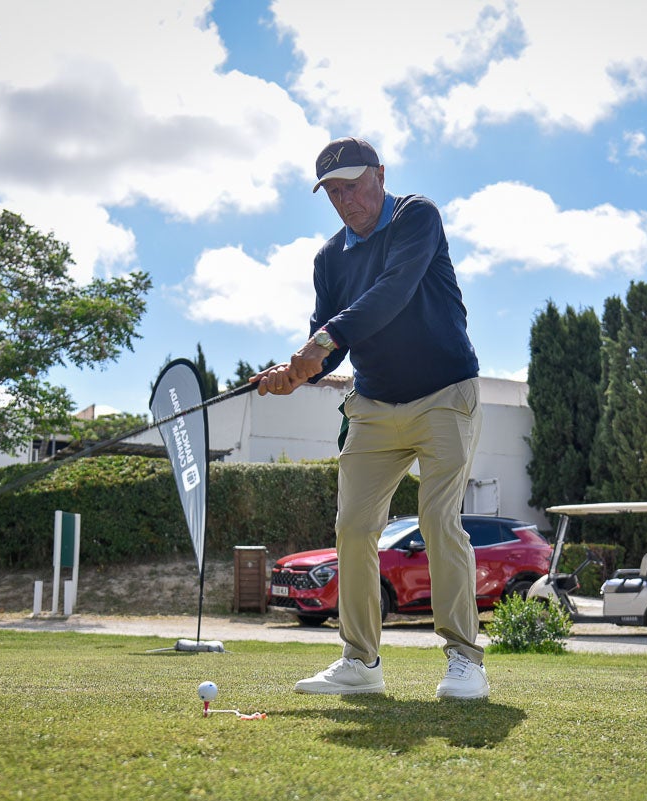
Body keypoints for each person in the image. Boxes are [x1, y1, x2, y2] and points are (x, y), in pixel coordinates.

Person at [251, 137, 486, 700]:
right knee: (353, 528)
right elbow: (328, 344)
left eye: (354, 184)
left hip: (445, 394)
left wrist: (321, 343)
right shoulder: (330, 258)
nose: (345, 199)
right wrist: (296, 372)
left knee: (437, 521)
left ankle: (464, 659)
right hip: (375, 405)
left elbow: (392, 292)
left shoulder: (417, 216)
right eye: (333, 191)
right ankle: (360, 661)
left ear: (381, 174)